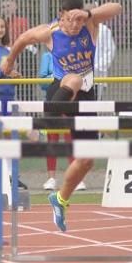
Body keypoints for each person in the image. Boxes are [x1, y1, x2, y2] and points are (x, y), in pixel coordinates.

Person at [1, 0, 123, 232]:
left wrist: (88, 14)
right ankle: (41, 122)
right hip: (60, 90)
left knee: (87, 159)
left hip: (86, 96)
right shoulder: (50, 32)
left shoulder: (90, 23)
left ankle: (60, 198)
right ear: (61, 17)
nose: (75, 25)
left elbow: (117, 7)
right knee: (74, 78)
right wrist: (10, 61)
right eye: (70, 20)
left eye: (78, 20)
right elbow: (23, 39)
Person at [37, 38, 85, 193]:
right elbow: (42, 80)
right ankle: (51, 178)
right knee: (52, 138)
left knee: (71, 137)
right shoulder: (47, 57)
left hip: (70, 100)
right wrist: (59, 80)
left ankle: (76, 177)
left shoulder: (74, 56)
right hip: (52, 99)